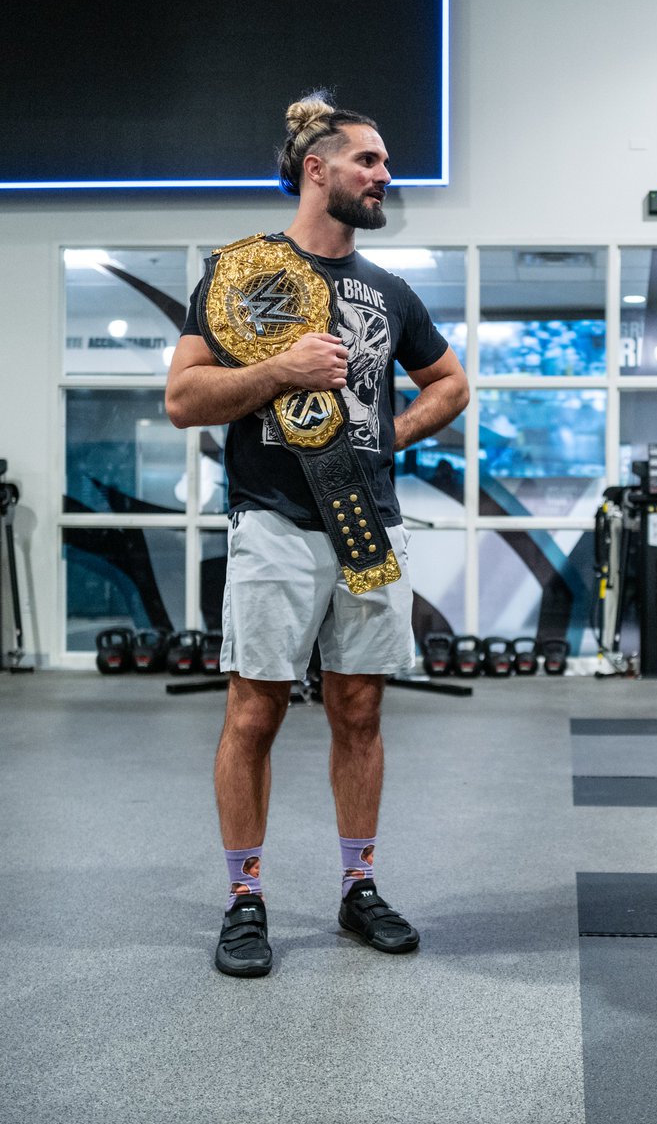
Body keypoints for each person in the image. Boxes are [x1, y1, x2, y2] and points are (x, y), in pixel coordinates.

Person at [166, 90, 469, 978]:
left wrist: (384, 439)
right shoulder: (238, 275)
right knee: (254, 712)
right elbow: (183, 400)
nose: (385, 175)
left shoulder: (390, 290)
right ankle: (245, 899)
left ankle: (358, 887)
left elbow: (448, 383)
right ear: (317, 169)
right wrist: (279, 368)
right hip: (273, 524)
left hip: (369, 526)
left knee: (360, 712)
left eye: (384, 163)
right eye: (368, 160)